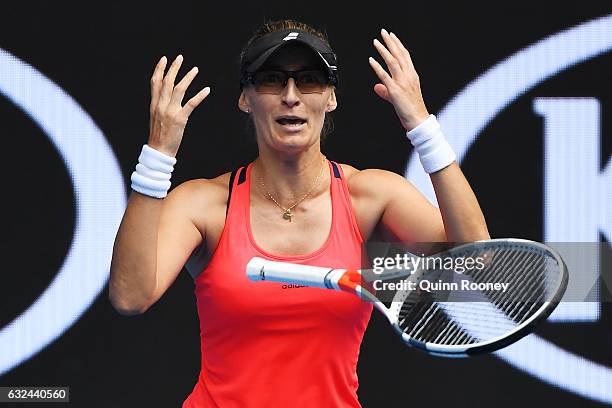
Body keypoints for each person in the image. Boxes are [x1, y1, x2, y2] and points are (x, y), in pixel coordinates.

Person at [109, 19, 489, 408]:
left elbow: (480, 266)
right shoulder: (205, 206)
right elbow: (130, 296)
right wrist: (158, 155)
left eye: (309, 80)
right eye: (272, 79)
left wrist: (423, 127)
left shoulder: (371, 198)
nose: (291, 96)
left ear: (331, 98)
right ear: (245, 98)